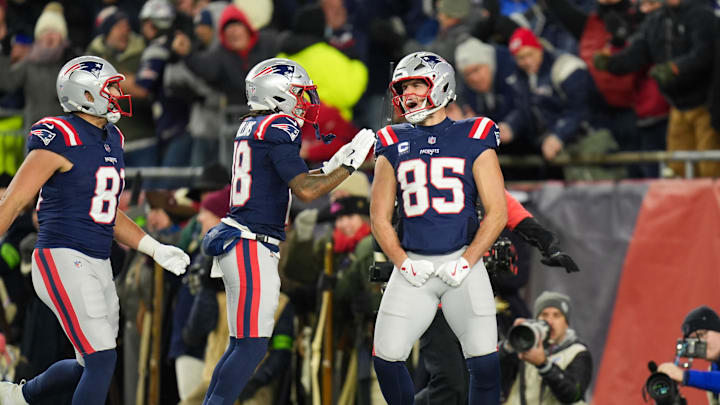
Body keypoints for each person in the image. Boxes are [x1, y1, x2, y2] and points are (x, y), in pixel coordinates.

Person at [0, 55, 191, 405]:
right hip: (61, 255)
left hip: (98, 259)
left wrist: (153, 247)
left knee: (91, 363)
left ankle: (17, 397)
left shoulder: (112, 137)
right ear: (85, 94)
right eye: (111, 87)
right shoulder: (59, 135)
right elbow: (12, 202)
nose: (119, 92)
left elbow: (107, 212)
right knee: (101, 359)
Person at [199, 57, 375, 405]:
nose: (305, 102)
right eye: (298, 93)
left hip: (242, 240)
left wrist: (331, 164)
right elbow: (306, 190)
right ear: (277, 95)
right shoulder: (280, 126)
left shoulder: (254, 125)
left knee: (239, 345)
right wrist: (349, 167)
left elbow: (286, 174)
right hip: (251, 243)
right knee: (250, 348)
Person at [371, 50, 508, 404]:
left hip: (463, 263)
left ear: (442, 84)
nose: (410, 94)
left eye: (418, 83)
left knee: (485, 362)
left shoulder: (475, 134)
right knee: (386, 358)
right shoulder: (391, 140)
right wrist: (402, 261)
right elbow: (379, 216)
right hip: (413, 265)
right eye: (404, 87)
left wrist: (468, 259)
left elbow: (497, 212)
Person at [499, 291, 593, 404]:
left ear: (566, 323)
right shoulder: (525, 346)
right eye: (544, 315)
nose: (549, 321)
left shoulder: (578, 352)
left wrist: (544, 365)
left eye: (556, 315)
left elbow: (574, 395)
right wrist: (510, 343)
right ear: (536, 319)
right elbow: (491, 372)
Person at [657, 305, 720, 396]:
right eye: (693, 340)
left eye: (702, 335)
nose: (700, 343)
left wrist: (685, 376)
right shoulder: (713, 369)